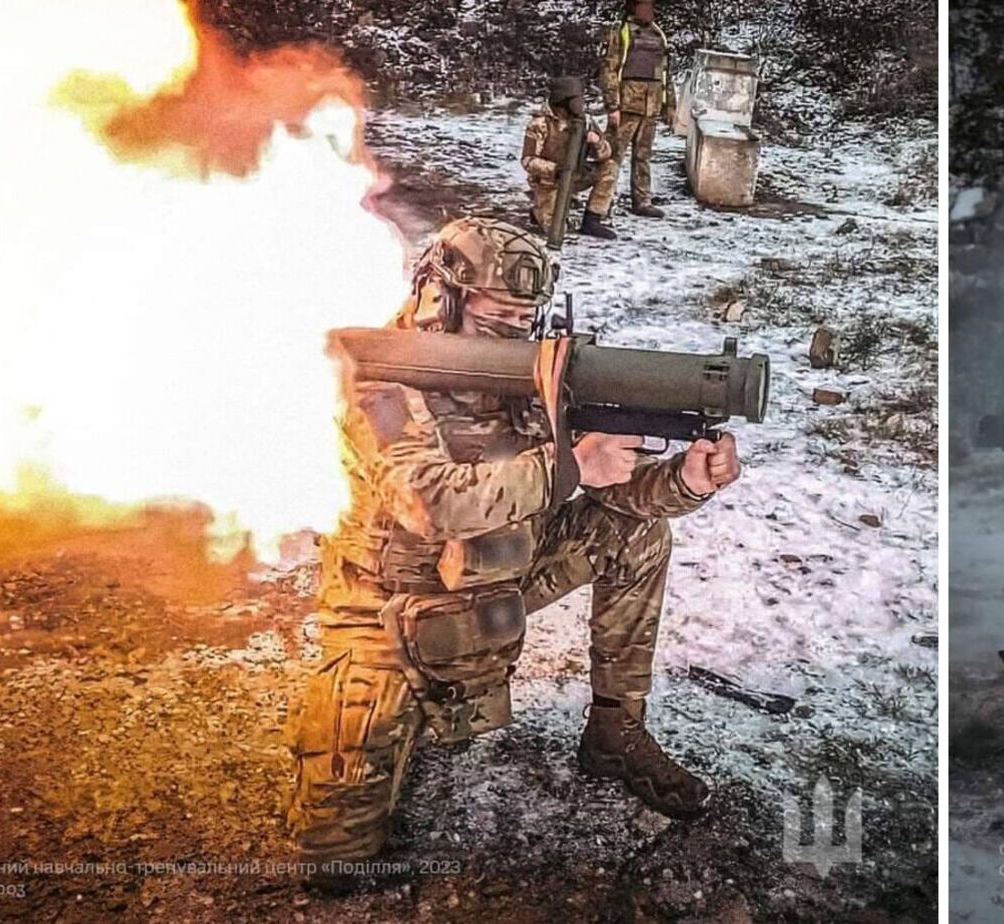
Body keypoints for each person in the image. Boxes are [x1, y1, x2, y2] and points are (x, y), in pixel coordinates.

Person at [287, 218, 742, 892]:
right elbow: (431, 503)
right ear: (441, 298)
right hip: (393, 611)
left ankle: (616, 733)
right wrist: (567, 468)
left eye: (525, 320)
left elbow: (606, 489)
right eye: (498, 317)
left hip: (500, 574)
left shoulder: (529, 372)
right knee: (334, 862)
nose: (514, 334)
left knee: (636, 532)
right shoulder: (380, 379)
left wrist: (686, 481)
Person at [587, 0, 673, 230]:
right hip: (627, 105)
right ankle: (600, 205)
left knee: (643, 156)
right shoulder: (620, 32)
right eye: (645, 6)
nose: (650, 11)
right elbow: (609, 70)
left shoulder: (658, 34)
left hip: (651, 105)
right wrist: (612, 106)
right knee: (612, 156)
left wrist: (669, 105)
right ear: (633, 8)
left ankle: (642, 200)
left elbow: (665, 73)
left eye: (652, 6)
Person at [522, 76, 613, 238]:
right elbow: (528, 160)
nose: (580, 104)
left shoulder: (585, 121)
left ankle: (592, 220)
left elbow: (606, 154)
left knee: (610, 167)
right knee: (557, 231)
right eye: (576, 99)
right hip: (548, 182)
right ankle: (538, 211)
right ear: (562, 100)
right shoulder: (539, 124)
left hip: (574, 176)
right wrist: (555, 169)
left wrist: (597, 142)